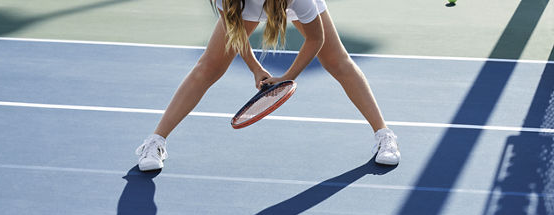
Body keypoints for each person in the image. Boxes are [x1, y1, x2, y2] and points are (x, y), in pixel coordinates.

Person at [135, 0, 400, 171]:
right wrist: (254, 66)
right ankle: (155, 142)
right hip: (244, 5)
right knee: (209, 67)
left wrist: (288, 76)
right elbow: (235, 32)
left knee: (338, 61)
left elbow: (315, 38)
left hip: (288, 2)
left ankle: (384, 136)